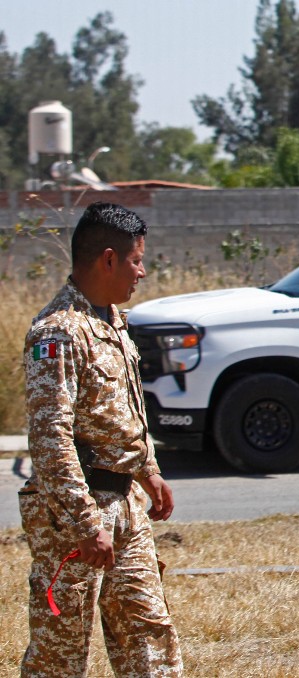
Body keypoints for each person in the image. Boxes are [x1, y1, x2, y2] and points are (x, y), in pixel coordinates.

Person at [20, 202, 182, 676]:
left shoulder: (112, 319)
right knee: (61, 654)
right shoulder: (58, 332)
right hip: (76, 512)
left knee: (149, 635)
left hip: (126, 503)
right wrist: (82, 520)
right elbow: (50, 436)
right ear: (108, 259)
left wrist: (148, 470)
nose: (143, 271)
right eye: (136, 260)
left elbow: (124, 409)